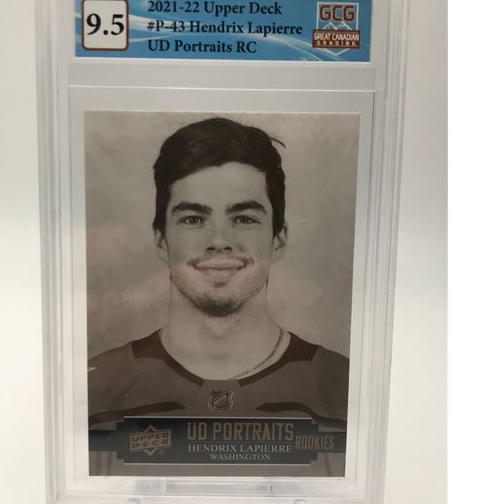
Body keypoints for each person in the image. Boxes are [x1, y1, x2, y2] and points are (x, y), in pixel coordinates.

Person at [88, 117, 349, 472]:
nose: (219, 241)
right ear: (161, 240)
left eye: (244, 218)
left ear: (279, 238)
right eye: (193, 219)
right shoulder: (95, 387)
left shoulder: (342, 387)